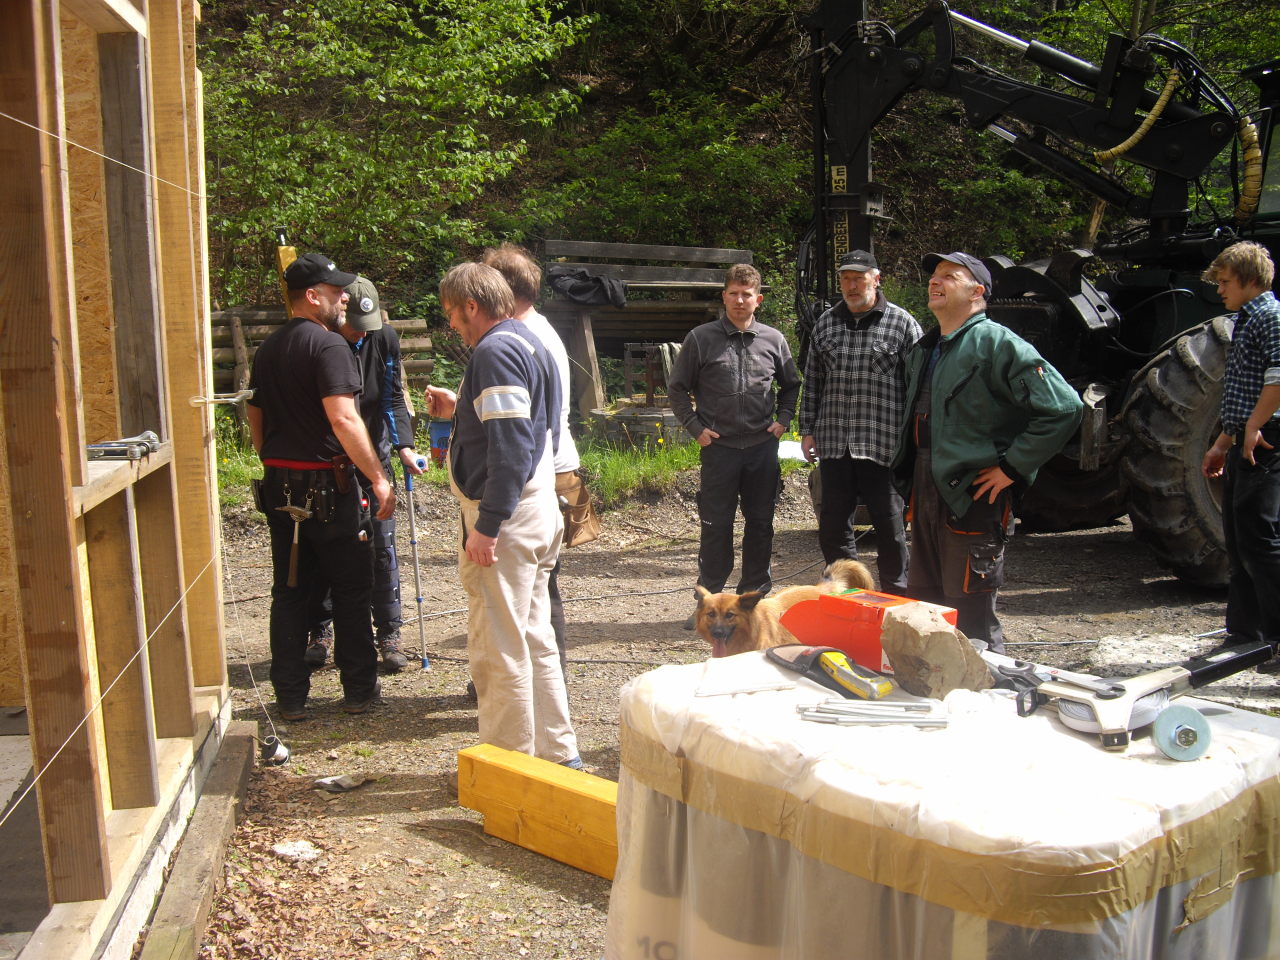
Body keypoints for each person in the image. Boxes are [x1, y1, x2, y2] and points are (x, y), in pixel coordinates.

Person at [424, 262, 581, 766]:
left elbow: (512, 445)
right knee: (534, 640)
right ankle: (557, 755)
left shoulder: (495, 351)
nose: (452, 324)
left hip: (509, 518)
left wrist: (488, 525)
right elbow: (525, 427)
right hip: (536, 504)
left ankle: (508, 767)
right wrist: (461, 411)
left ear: (472, 305)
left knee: (499, 647)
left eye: (452, 314)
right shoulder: (528, 340)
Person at [893, 251, 1082, 652]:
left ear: (977, 292)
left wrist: (1012, 467)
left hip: (974, 492)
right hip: (926, 488)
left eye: (950, 275)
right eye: (934, 275)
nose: (935, 281)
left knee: (971, 612)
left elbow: (1064, 408)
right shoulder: (927, 347)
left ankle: (988, 683)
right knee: (927, 606)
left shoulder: (997, 343)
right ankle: (937, 682)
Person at [245, 253, 395, 720]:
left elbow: (255, 414)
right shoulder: (330, 347)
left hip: (280, 485)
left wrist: (272, 458)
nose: (345, 298)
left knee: (290, 589)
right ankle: (359, 691)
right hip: (330, 486)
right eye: (336, 292)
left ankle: (290, 697)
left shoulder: (268, 348)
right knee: (351, 588)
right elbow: (344, 418)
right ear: (312, 297)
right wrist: (377, 477)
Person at [668, 263, 802, 623]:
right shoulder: (701, 338)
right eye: (733, 293)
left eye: (747, 294)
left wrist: (783, 419)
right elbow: (677, 389)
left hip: (761, 448)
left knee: (760, 524)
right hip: (720, 449)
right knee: (716, 526)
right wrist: (695, 427)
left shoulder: (773, 339)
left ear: (758, 299)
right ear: (723, 296)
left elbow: (791, 384)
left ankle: (752, 604)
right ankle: (708, 604)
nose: (740, 300)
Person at [305, 276, 426, 673]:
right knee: (327, 546)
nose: (361, 333)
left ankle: (389, 633)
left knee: (381, 544)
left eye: (367, 327)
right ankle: (320, 631)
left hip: (376, 452)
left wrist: (404, 445)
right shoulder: (321, 341)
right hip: (330, 459)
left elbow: (392, 397)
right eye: (355, 325)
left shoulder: (384, 338)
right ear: (340, 312)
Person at [482, 243, 578, 679]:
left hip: (540, 471)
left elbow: (523, 429)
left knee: (535, 584)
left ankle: (541, 676)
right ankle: (541, 675)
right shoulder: (529, 330)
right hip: (544, 466)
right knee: (535, 582)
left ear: (501, 288)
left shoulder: (522, 337)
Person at [799, 249, 921, 593]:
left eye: (859, 278)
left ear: (876, 279)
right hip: (834, 443)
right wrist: (807, 430)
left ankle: (895, 596)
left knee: (890, 527)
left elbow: (918, 386)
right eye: (845, 279)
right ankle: (848, 595)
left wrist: (914, 439)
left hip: (883, 444)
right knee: (833, 527)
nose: (851, 286)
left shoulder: (902, 323)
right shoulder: (826, 323)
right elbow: (813, 381)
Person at [1199, 241, 1280, 672]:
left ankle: (1275, 639)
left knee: (1260, 542)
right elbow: (1243, 390)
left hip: (1265, 441)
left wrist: (1253, 427)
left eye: (1226, 282)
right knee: (1238, 540)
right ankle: (1245, 635)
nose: (1220, 290)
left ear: (1250, 280)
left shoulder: (1271, 316)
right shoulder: (1246, 319)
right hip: (1246, 438)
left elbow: (1277, 378)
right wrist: (1222, 442)